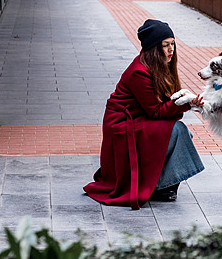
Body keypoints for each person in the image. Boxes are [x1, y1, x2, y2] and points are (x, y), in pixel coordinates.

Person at [84, 19, 205, 208]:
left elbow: (164, 108)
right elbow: (156, 111)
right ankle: (162, 186)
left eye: (173, 43)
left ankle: (164, 184)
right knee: (178, 131)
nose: (171, 49)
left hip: (139, 118)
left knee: (181, 132)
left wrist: (186, 103)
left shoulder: (160, 66)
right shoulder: (139, 72)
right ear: (153, 48)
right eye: (165, 45)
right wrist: (185, 104)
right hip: (122, 124)